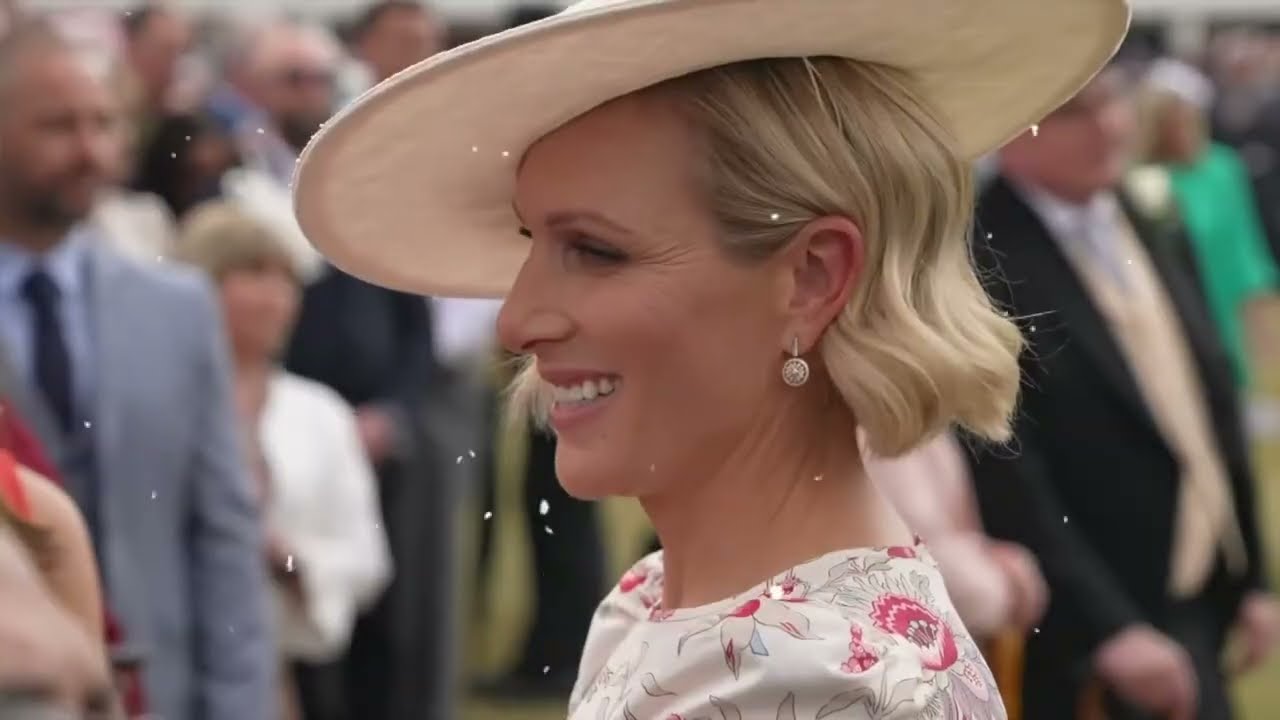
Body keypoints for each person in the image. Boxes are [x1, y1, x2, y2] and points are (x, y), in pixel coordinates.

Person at [292, 0, 1129, 717]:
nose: (518, 321)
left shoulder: (812, 685)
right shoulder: (676, 605)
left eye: (596, 250)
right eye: (531, 243)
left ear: (811, 278)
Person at [968, 60, 1280, 720]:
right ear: (1008, 128)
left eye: (1111, 102)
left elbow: (1207, 394)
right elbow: (1006, 463)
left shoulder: (1146, 214)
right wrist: (1105, 627)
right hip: (1097, 637)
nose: (1108, 126)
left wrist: (1251, 575)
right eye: (1072, 112)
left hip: (1199, 591)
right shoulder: (980, 257)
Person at [0, 21, 275, 719]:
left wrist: (239, 702)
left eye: (104, 123)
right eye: (58, 126)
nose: (89, 150)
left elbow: (222, 528)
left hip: (160, 694)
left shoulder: (176, 307)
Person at [177, 201, 393, 720]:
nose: (277, 298)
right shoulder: (155, 406)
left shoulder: (319, 414)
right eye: (253, 274)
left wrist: (291, 563)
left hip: (275, 677)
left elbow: (366, 558)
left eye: (286, 280)